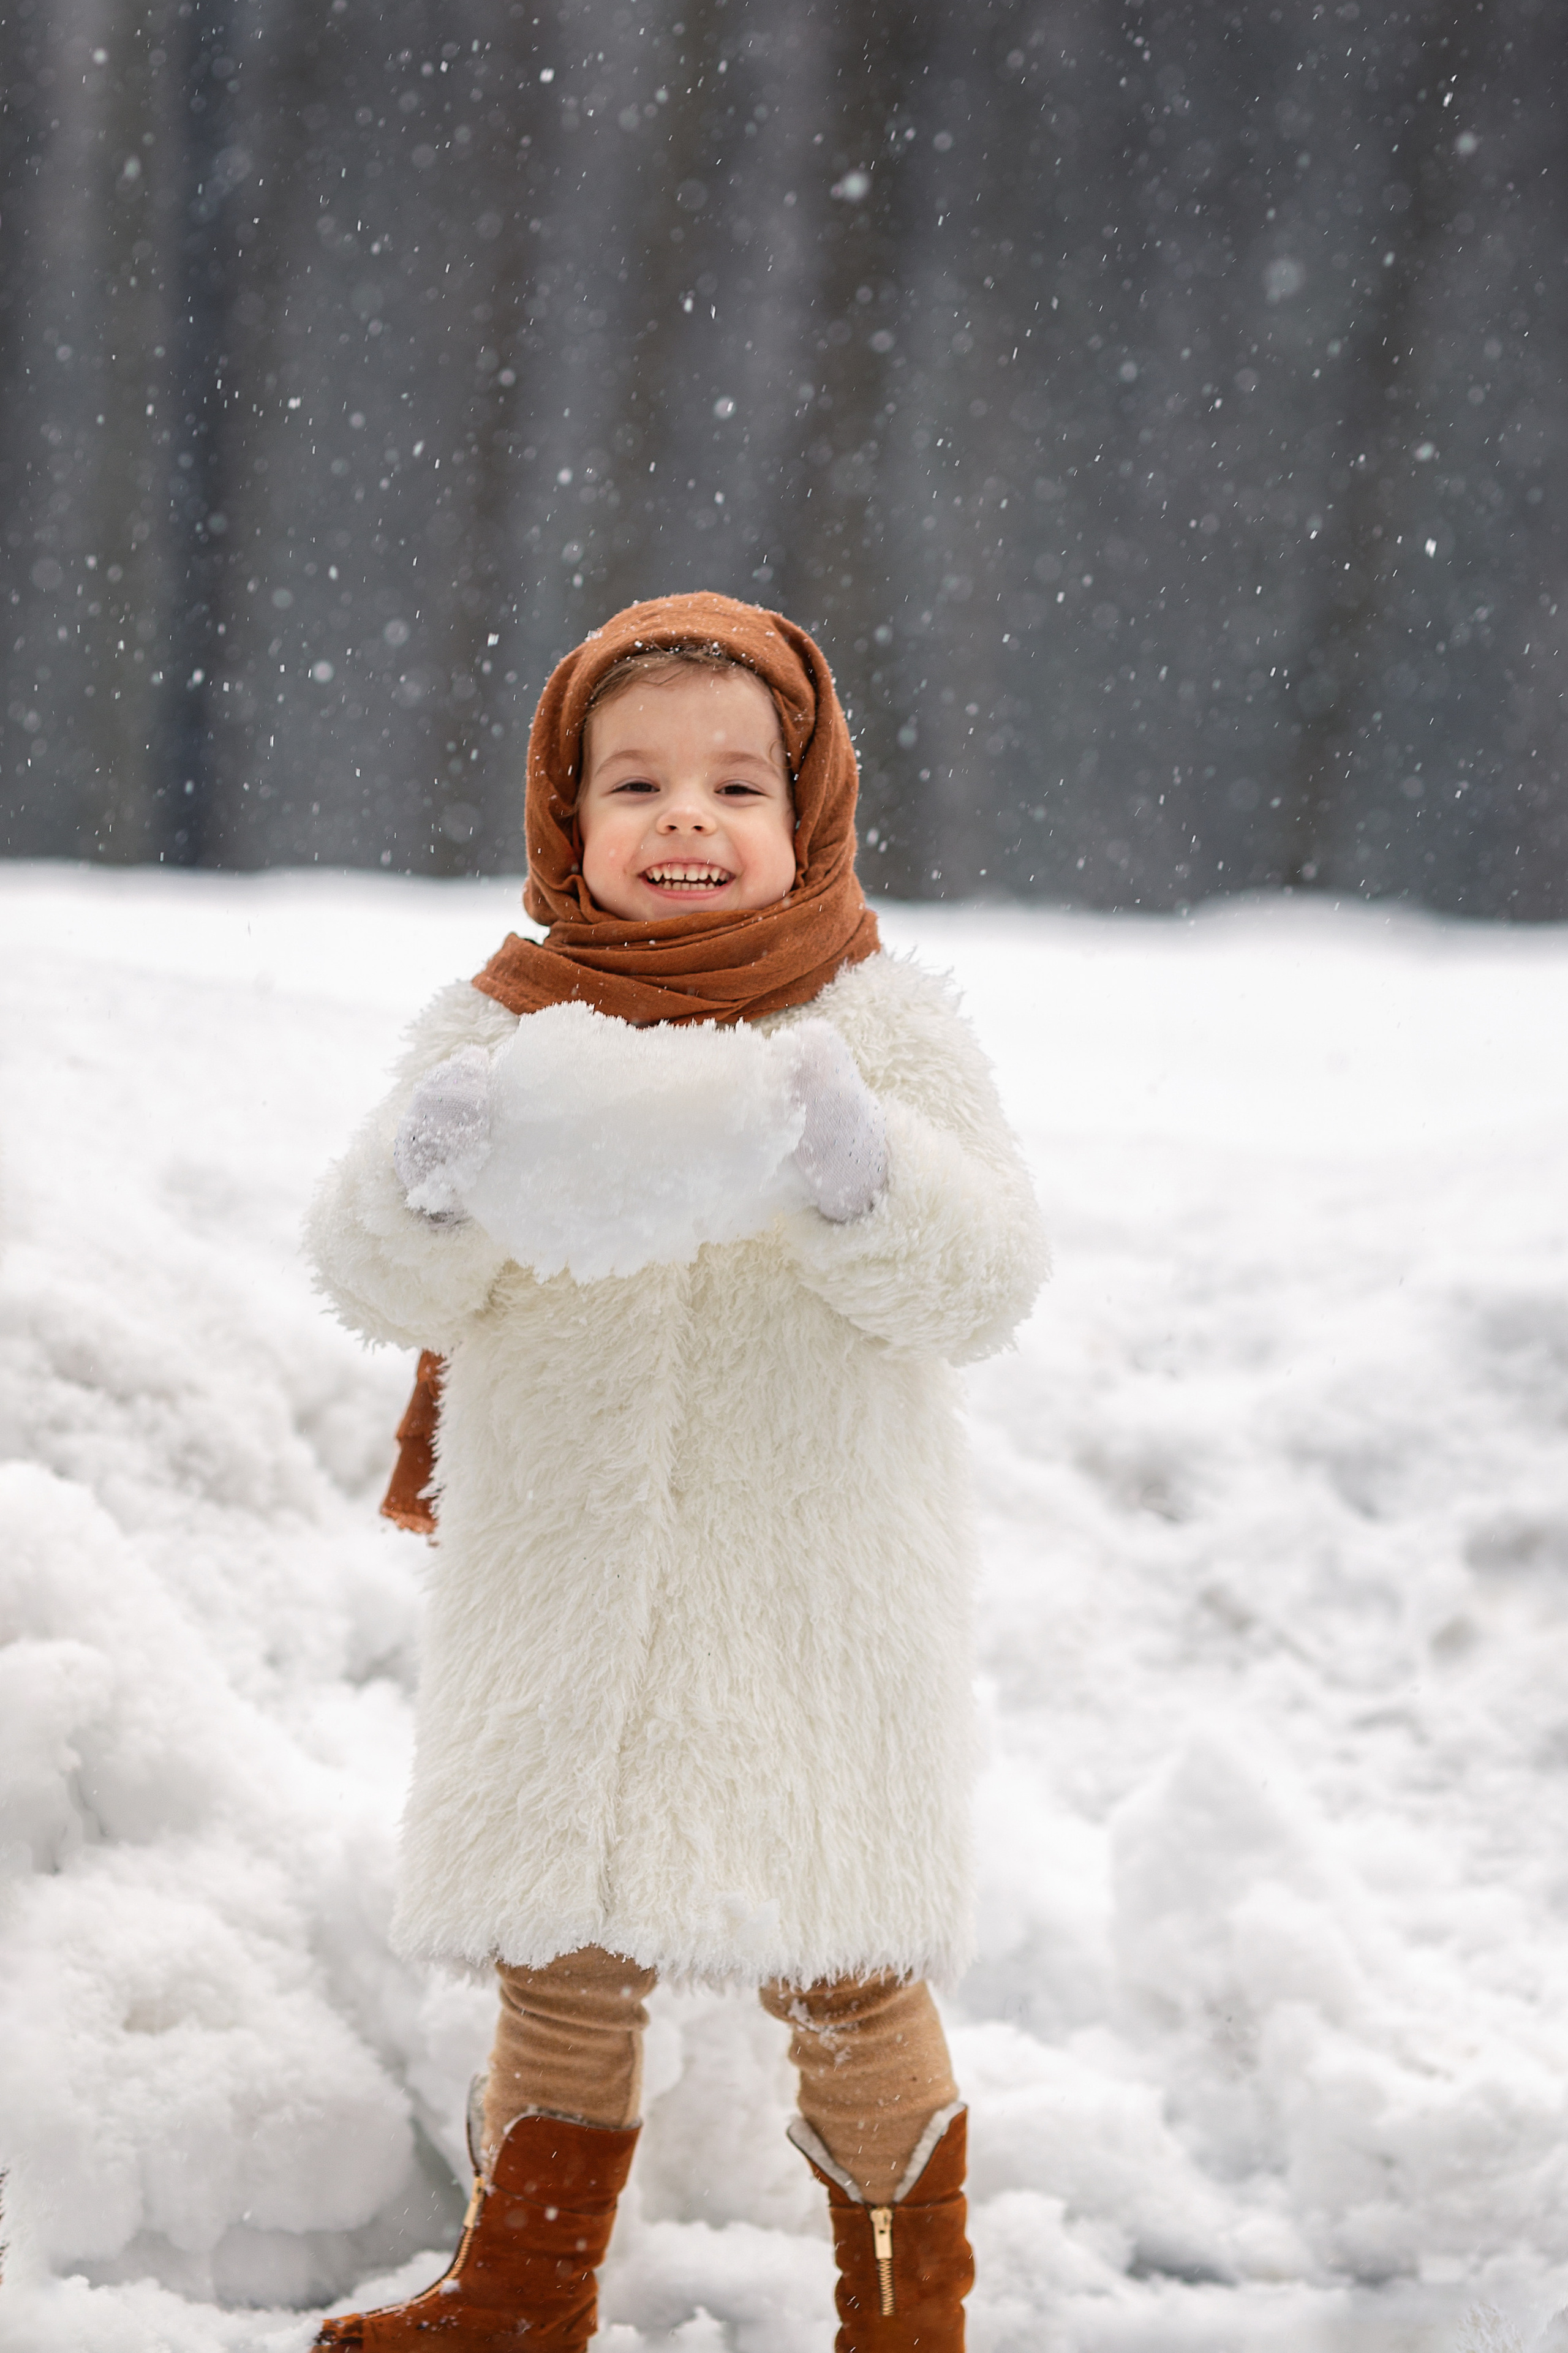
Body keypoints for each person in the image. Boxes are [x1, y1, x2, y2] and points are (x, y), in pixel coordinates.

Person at [306, 591, 1048, 2352]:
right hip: (563, 1582)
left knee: (848, 1954)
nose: (687, 820)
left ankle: (906, 2314)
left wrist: (873, 1182)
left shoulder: (873, 1026)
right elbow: (383, 1282)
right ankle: (517, 2293)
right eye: (634, 786)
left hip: (810, 1580)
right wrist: (420, 1179)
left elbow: (990, 1277)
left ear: (812, 813)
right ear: (569, 820)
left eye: (737, 783)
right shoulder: (505, 1026)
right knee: (560, 1950)